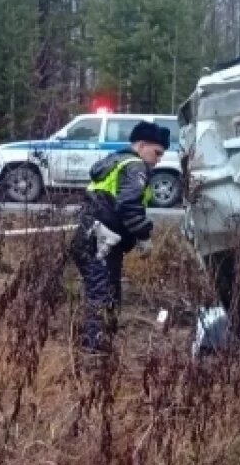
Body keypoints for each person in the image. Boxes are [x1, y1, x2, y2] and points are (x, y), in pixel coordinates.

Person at [70, 120, 170, 352]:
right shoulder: (136, 166)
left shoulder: (114, 162)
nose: (158, 160)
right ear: (142, 145)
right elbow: (129, 205)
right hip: (102, 242)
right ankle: (95, 352)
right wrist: (143, 236)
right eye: (157, 153)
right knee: (103, 296)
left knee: (104, 292)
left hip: (90, 237)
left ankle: (102, 344)